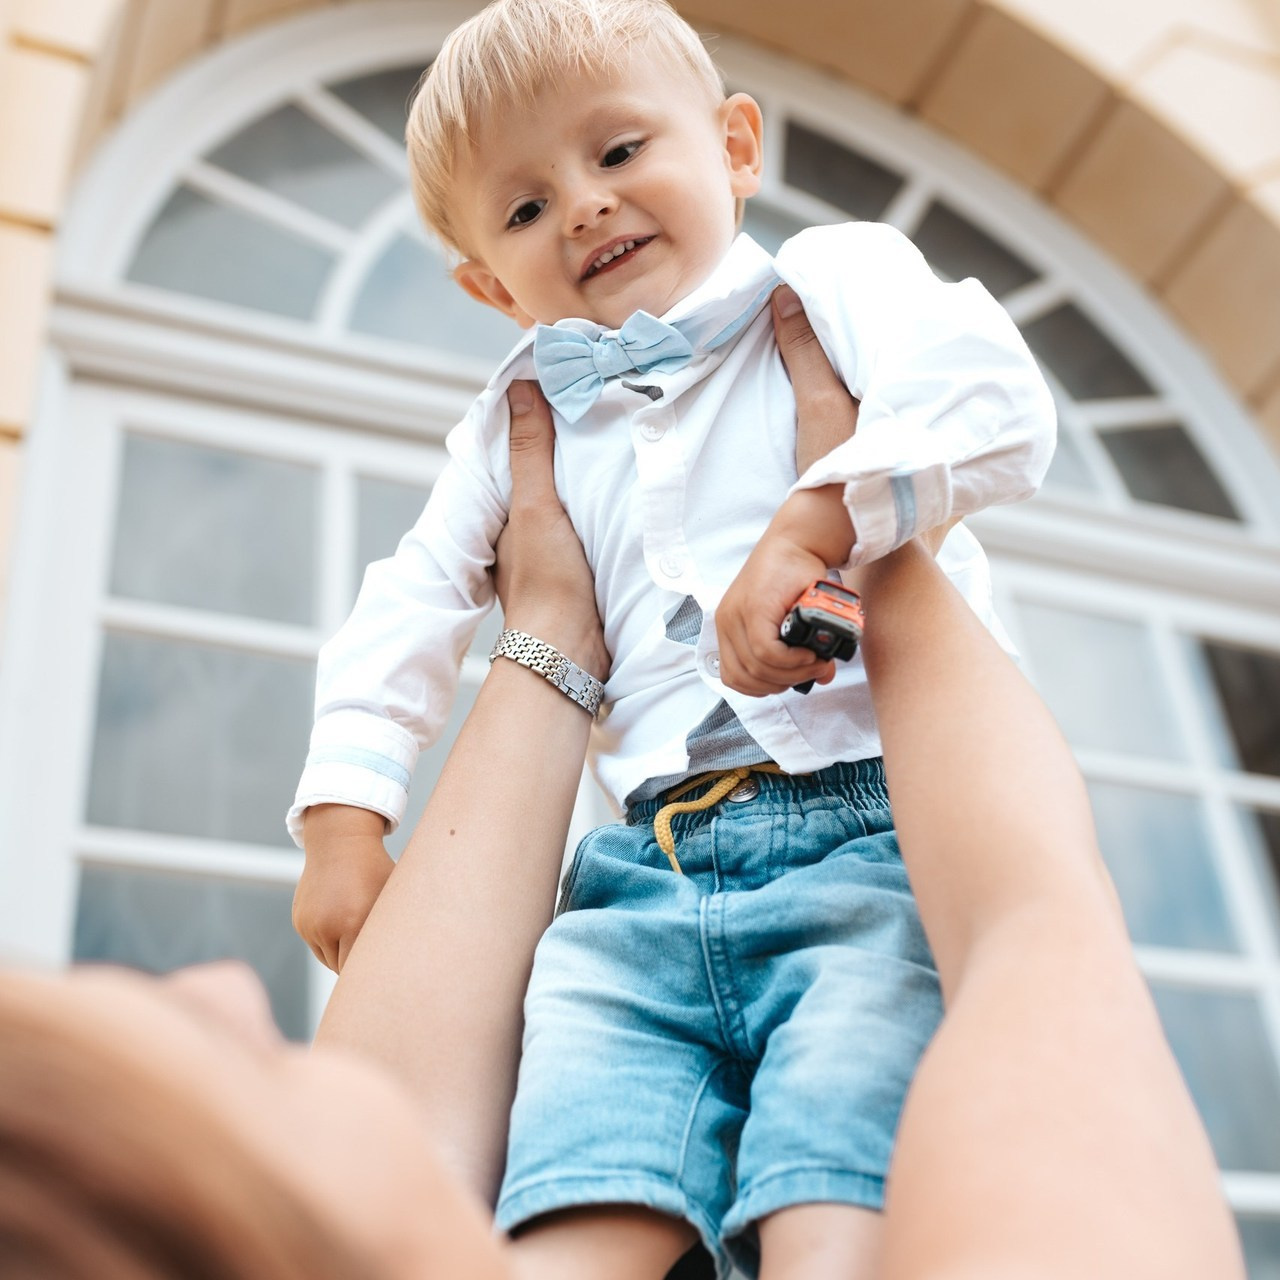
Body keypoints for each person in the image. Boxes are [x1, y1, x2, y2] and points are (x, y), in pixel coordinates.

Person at [0, 317, 1243, 1279]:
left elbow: (404, 1097)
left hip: (665, 846)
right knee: (838, 1157)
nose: (225, 984)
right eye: (243, 1062)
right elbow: (1033, 924)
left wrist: (549, 627)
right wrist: (855, 517)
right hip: (781, 826)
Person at [290, 0, 1055, 1274]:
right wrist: (343, 818)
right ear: (491, 286)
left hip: (870, 830)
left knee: (839, 1176)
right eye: (524, 207)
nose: (583, 205)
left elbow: (991, 398)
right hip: (634, 873)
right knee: (573, 1180)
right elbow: (410, 599)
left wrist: (816, 518)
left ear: (735, 146)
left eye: (616, 150)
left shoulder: (834, 283)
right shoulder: (514, 420)